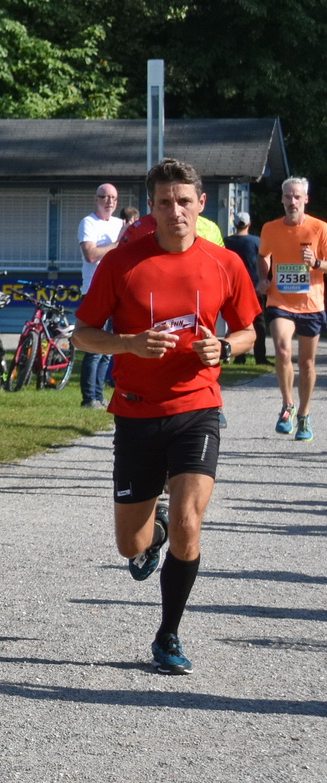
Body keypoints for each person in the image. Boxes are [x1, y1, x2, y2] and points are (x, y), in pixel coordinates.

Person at [72, 158, 258, 676]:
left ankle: (168, 634)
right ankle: (150, 533)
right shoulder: (122, 263)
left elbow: (248, 330)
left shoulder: (225, 263)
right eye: (164, 202)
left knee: (188, 523)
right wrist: (129, 344)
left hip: (197, 408)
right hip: (136, 412)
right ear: (151, 208)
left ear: (201, 205)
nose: (175, 211)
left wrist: (226, 347)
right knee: (130, 545)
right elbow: (83, 334)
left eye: (184, 201)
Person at [258, 176, 327, 441]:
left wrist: (316, 263)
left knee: (307, 364)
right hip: (280, 300)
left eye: (297, 196)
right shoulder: (270, 228)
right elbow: (263, 255)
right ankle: (288, 405)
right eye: (288, 196)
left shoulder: (320, 228)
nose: (292, 201)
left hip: (311, 303)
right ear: (282, 199)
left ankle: (304, 415)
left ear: (305, 199)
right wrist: (264, 278)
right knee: (283, 350)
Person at [76, 183, 125, 409]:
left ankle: (98, 394)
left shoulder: (120, 224)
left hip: (117, 291)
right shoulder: (89, 223)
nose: (109, 202)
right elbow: (91, 255)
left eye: (113, 198)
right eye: (104, 197)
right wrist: (117, 244)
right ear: (96, 199)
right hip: (94, 290)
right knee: (94, 348)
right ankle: (89, 398)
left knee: (108, 349)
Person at [223, 211, 269, 365]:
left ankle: (238, 356)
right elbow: (264, 261)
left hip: (232, 288)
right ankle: (260, 357)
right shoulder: (256, 241)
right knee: (259, 323)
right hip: (253, 287)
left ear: (234, 224)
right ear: (250, 224)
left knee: (236, 322)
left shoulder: (226, 242)